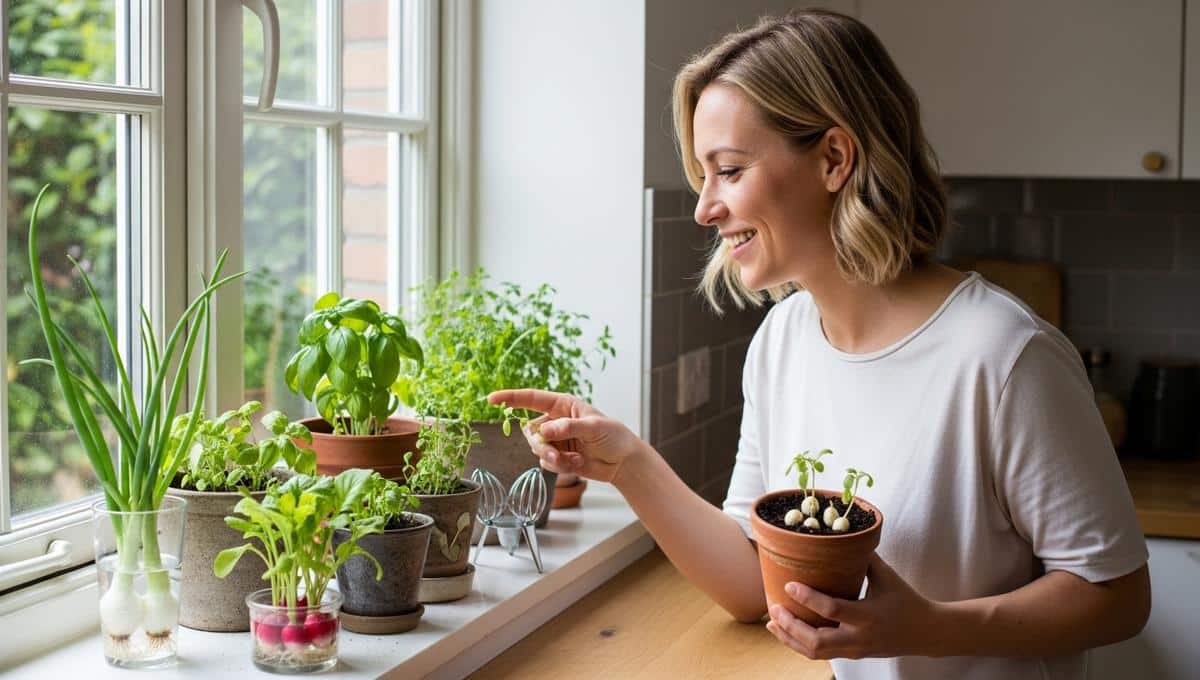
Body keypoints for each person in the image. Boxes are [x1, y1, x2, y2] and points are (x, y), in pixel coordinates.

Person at [488, 9, 1150, 680]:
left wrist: (932, 629)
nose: (704, 208)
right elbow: (755, 582)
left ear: (834, 159)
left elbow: (1118, 597)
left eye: (730, 170)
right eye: (703, 175)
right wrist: (627, 462)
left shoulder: (1004, 357)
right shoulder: (783, 342)